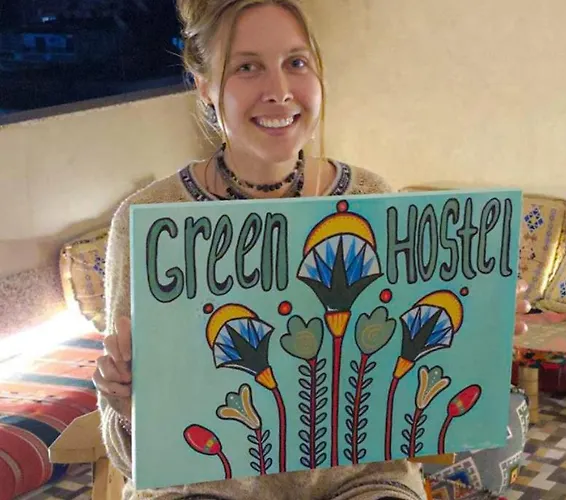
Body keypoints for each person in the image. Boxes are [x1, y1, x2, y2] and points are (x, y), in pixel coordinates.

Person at [92, 1, 531, 499]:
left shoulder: (369, 198)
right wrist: (127, 407)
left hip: (362, 482)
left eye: (296, 62)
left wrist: (481, 334)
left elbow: (409, 411)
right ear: (205, 85)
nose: (279, 90)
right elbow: (132, 454)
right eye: (247, 67)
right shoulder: (149, 220)